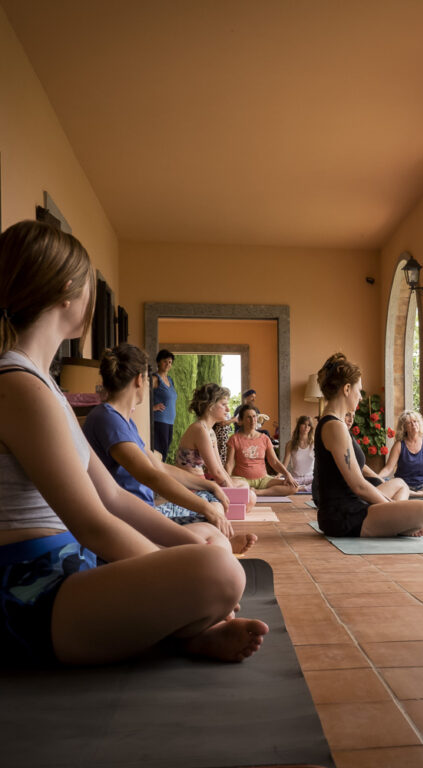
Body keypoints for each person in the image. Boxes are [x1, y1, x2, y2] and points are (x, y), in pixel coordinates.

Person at [0, 220, 267, 665]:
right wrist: (186, 578)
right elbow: (93, 523)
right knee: (217, 570)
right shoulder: (19, 386)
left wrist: (184, 551)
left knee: (207, 541)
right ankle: (192, 624)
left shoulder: (44, 386)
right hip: (30, 586)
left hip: (73, 563)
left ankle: (185, 626)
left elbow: (113, 499)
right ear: (68, 291)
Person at [83, 343, 256, 555]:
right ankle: (173, 550)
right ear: (140, 379)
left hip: (145, 510)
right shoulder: (107, 419)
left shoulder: (123, 421)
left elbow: (159, 467)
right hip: (130, 519)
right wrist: (205, 508)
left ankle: (198, 544)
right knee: (214, 537)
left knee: (213, 504)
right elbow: (151, 476)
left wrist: (210, 487)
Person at [313, 353, 423, 537]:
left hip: (352, 506)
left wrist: (394, 509)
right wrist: (393, 508)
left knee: (400, 484)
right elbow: (359, 486)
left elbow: (359, 475)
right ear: (347, 389)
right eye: (359, 390)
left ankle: (399, 524)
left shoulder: (335, 423)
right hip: (344, 516)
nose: (361, 397)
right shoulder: (334, 426)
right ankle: (400, 524)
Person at [175, 383, 250, 492]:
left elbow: (220, 468)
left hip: (199, 483)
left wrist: (232, 489)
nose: (228, 409)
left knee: (243, 485)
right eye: (224, 404)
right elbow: (215, 472)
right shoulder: (200, 429)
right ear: (210, 406)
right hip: (190, 489)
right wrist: (233, 492)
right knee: (248, 494)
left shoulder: (210, 431)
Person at [225, 405, 298, 496]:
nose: (252, 420)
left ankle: (258, 492)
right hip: (242, 480)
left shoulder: (264, 438)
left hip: (263, 480)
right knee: (229, 485)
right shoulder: (234, 439)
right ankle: (248, 491)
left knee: (294, 487)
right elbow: (229, 463)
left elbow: (274, 461)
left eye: (254, 416)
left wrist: (287, 474)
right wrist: (227, 481)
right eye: (248, 417)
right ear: (241, 420)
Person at [151, 349, 177, 461]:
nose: (167, 364)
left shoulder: (170, 380)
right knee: (160, 451)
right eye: (165, 361)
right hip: (159, 420)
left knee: (165, 450)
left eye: (170, 362)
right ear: (158, 362)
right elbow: (141, 396)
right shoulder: (155, 378)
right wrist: (153, 408)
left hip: (169, 421)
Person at [283, 415, 315, 490]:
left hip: (311, 478)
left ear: (311, 428)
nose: (307, 427)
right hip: (296, 478)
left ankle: (301, 488)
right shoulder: (290, 444)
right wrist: (278, 476)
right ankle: (301, 487)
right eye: (304, 424)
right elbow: (284, 465)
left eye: (309, 425)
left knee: (323, 482)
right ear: (299, 426)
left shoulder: (315, 444)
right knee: (283, 483)